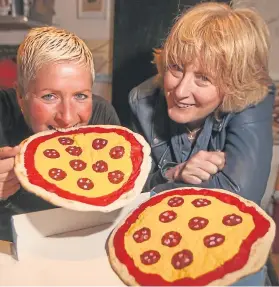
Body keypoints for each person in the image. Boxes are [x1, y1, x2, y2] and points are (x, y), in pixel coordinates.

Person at [129, 2, 275, 286]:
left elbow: (239, 199)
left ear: (235, 84)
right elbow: (132, 194)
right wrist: (175, 174)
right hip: (164, 254)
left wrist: (163, 188)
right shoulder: (142, 100)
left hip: (232, 262)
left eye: (204, 78)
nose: (180, 90)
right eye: (176, 68)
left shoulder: (254, 96)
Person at [0, 26, 120, 241]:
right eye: (49, 97)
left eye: (81, 96)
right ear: (20, 95)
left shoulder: (102, 117)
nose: (66, 117)